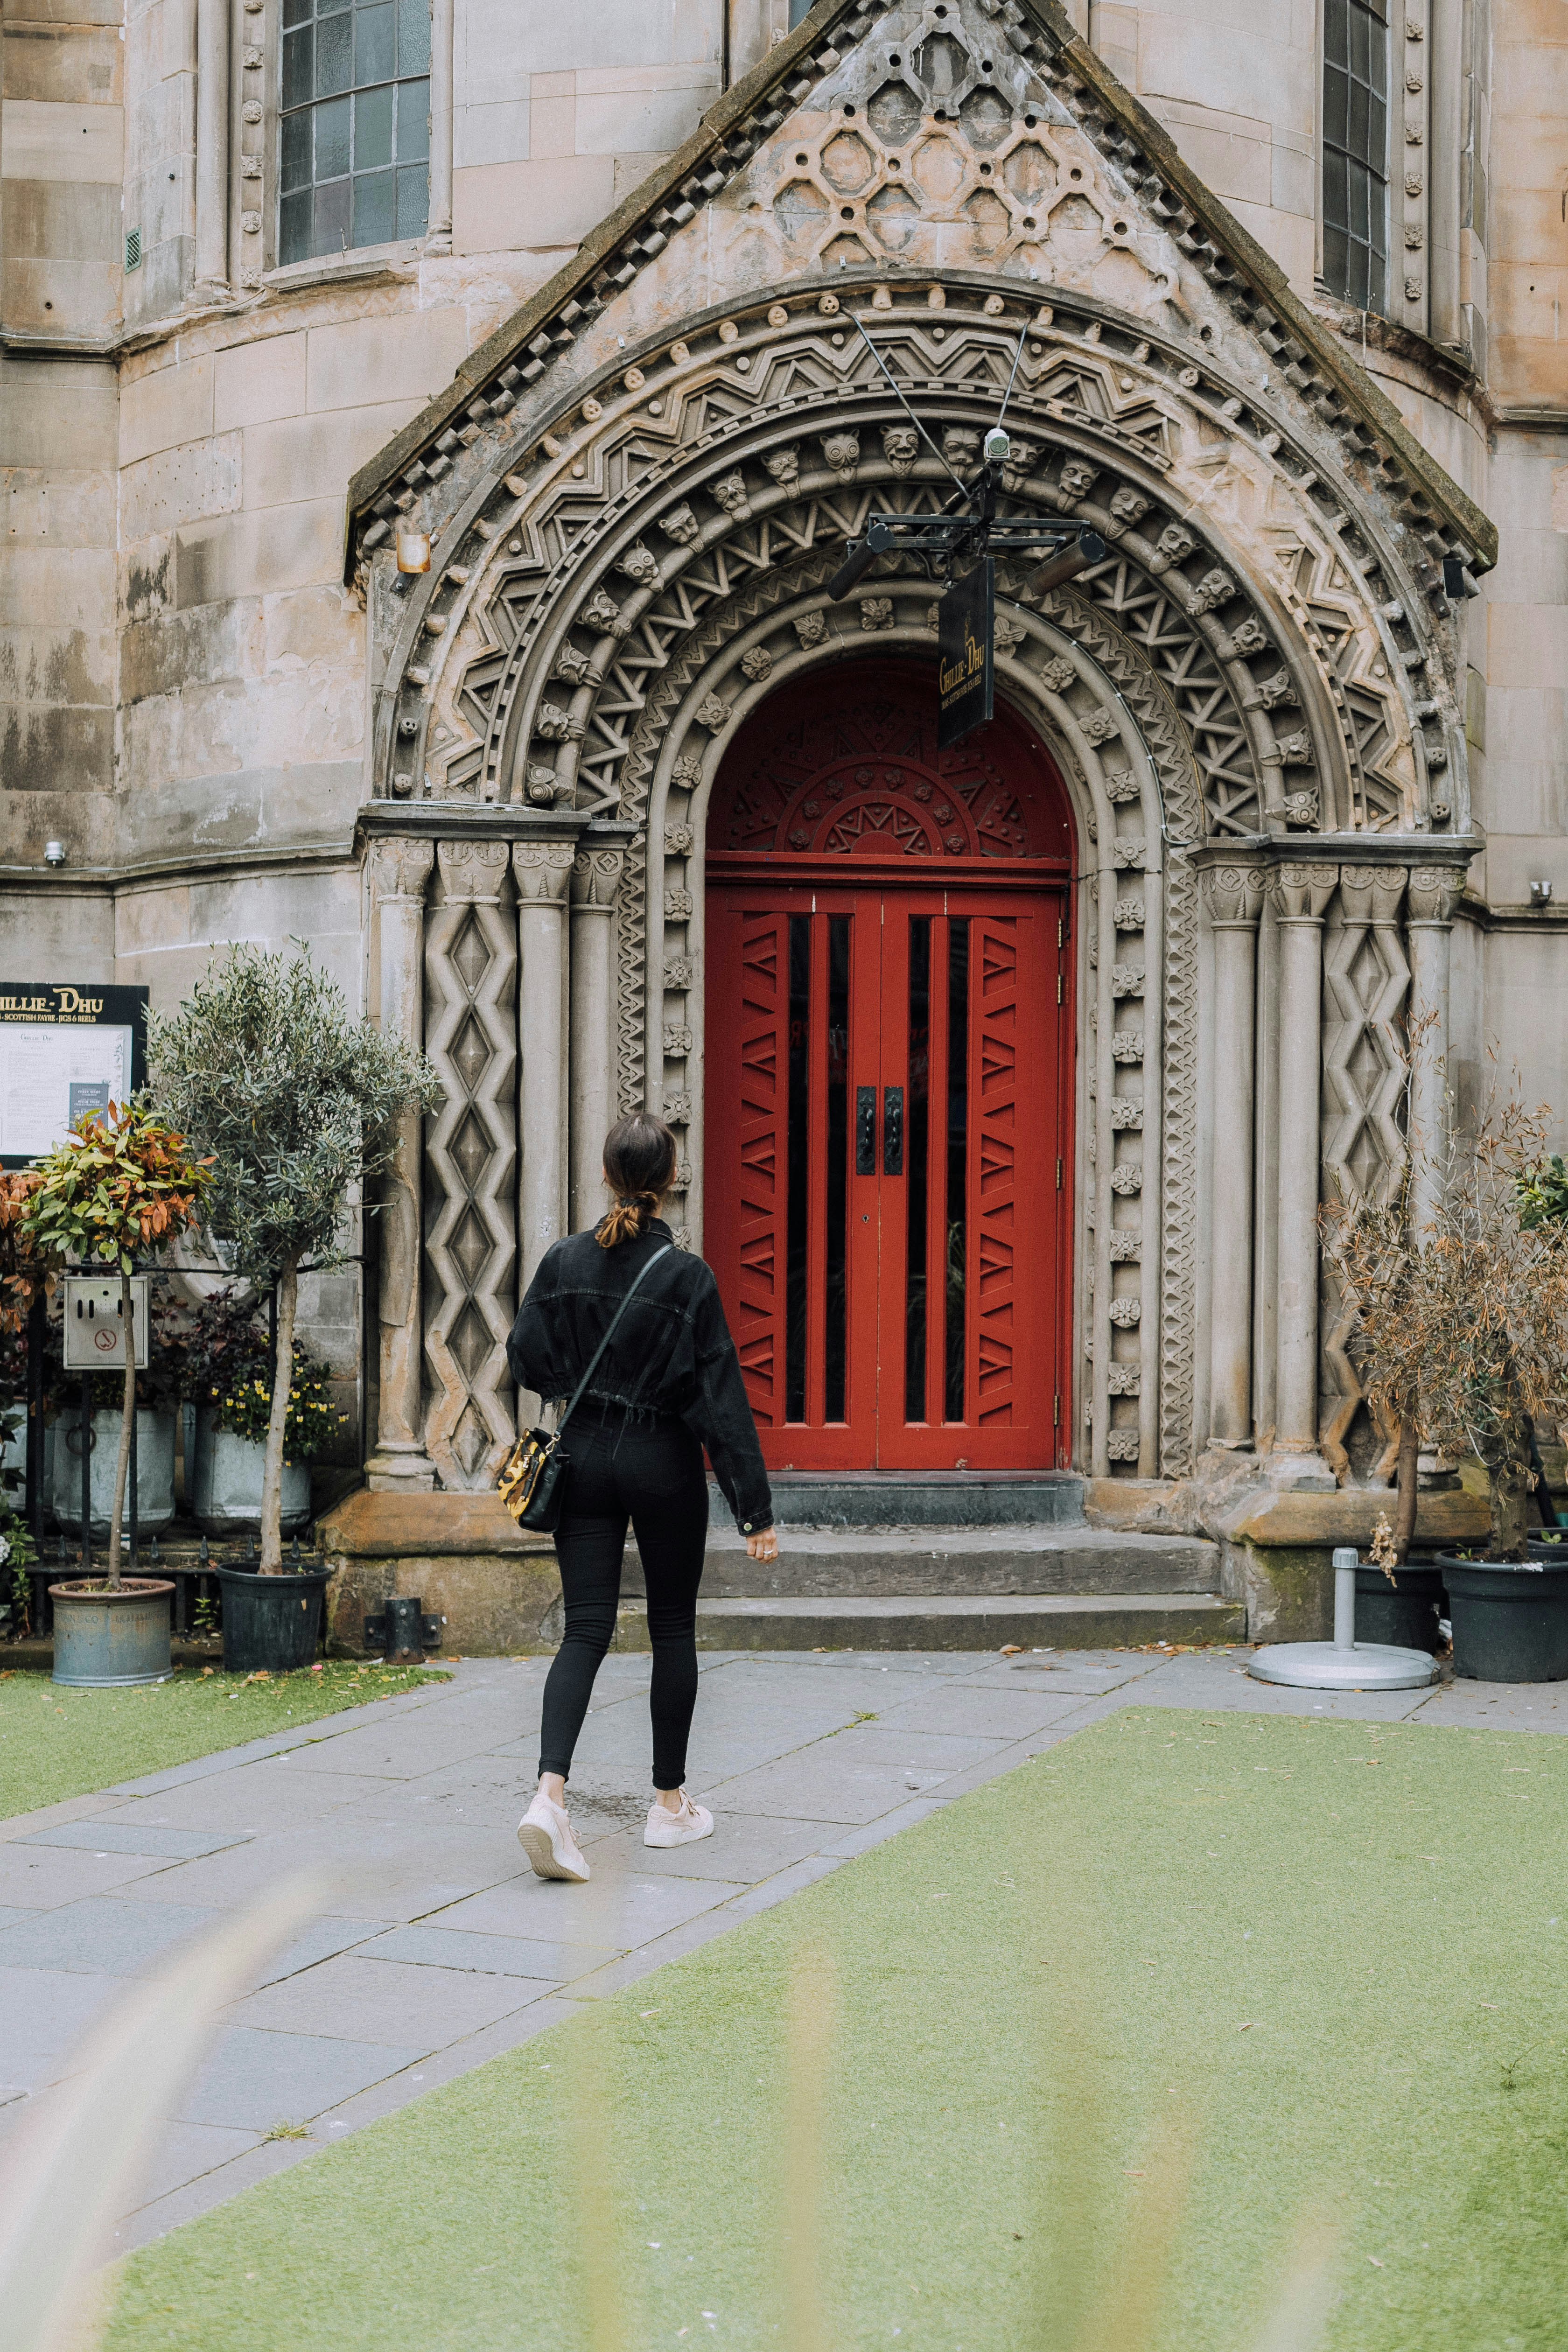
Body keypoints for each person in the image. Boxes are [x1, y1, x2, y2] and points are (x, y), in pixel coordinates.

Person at [505, 1112, 777, 1883]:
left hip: (585, 1452)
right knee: (672, 1628)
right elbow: (719, 1401)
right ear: (670, 1181)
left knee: (584, 1629)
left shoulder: (563, 1261)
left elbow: (524, 1353)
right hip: (662, 1457)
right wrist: (753, 1509)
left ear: (606, 1176)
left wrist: (575, 1389)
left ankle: (550, 1798)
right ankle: (668, 1809)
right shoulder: (688, 1277)